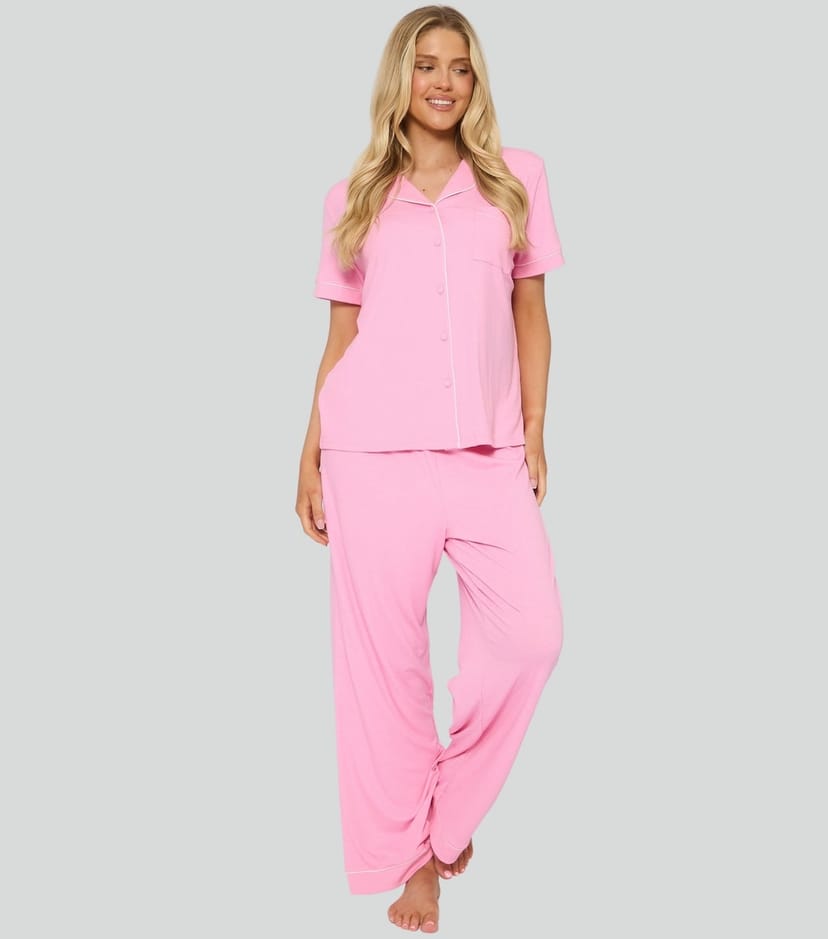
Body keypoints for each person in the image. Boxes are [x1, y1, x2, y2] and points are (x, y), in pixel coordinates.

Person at [296, 5, 566, 932]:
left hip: (487, 451)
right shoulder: (354, 197)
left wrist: (535, 426)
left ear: (475, 81)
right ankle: (415, 863)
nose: (443, 82)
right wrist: (308, 451)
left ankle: (446, 816)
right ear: (399, 79)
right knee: (386, 667)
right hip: (370, 452)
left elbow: (531, 311)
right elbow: (341, 336)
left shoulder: (517, 180)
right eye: (425, 65)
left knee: (534, 636)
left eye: (459, 66)